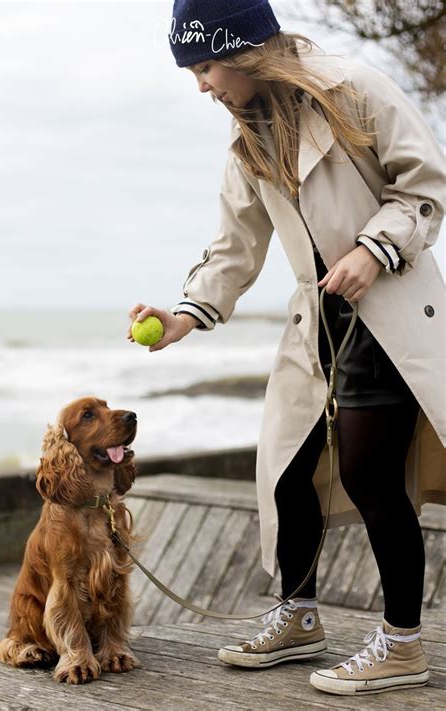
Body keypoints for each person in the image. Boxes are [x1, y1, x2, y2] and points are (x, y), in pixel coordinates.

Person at [129, 0, 446, 697]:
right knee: (287, 467)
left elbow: (424, 184)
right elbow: (233, 247)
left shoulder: (355, 88)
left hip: (387, 305)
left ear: (243, 49)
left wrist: (373, 248)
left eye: (205, 66)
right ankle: (299, 616)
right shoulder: (248, 139)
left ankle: (401, 642)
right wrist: (182, 316)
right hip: (317, 319)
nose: (202, 86)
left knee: (369, 474)